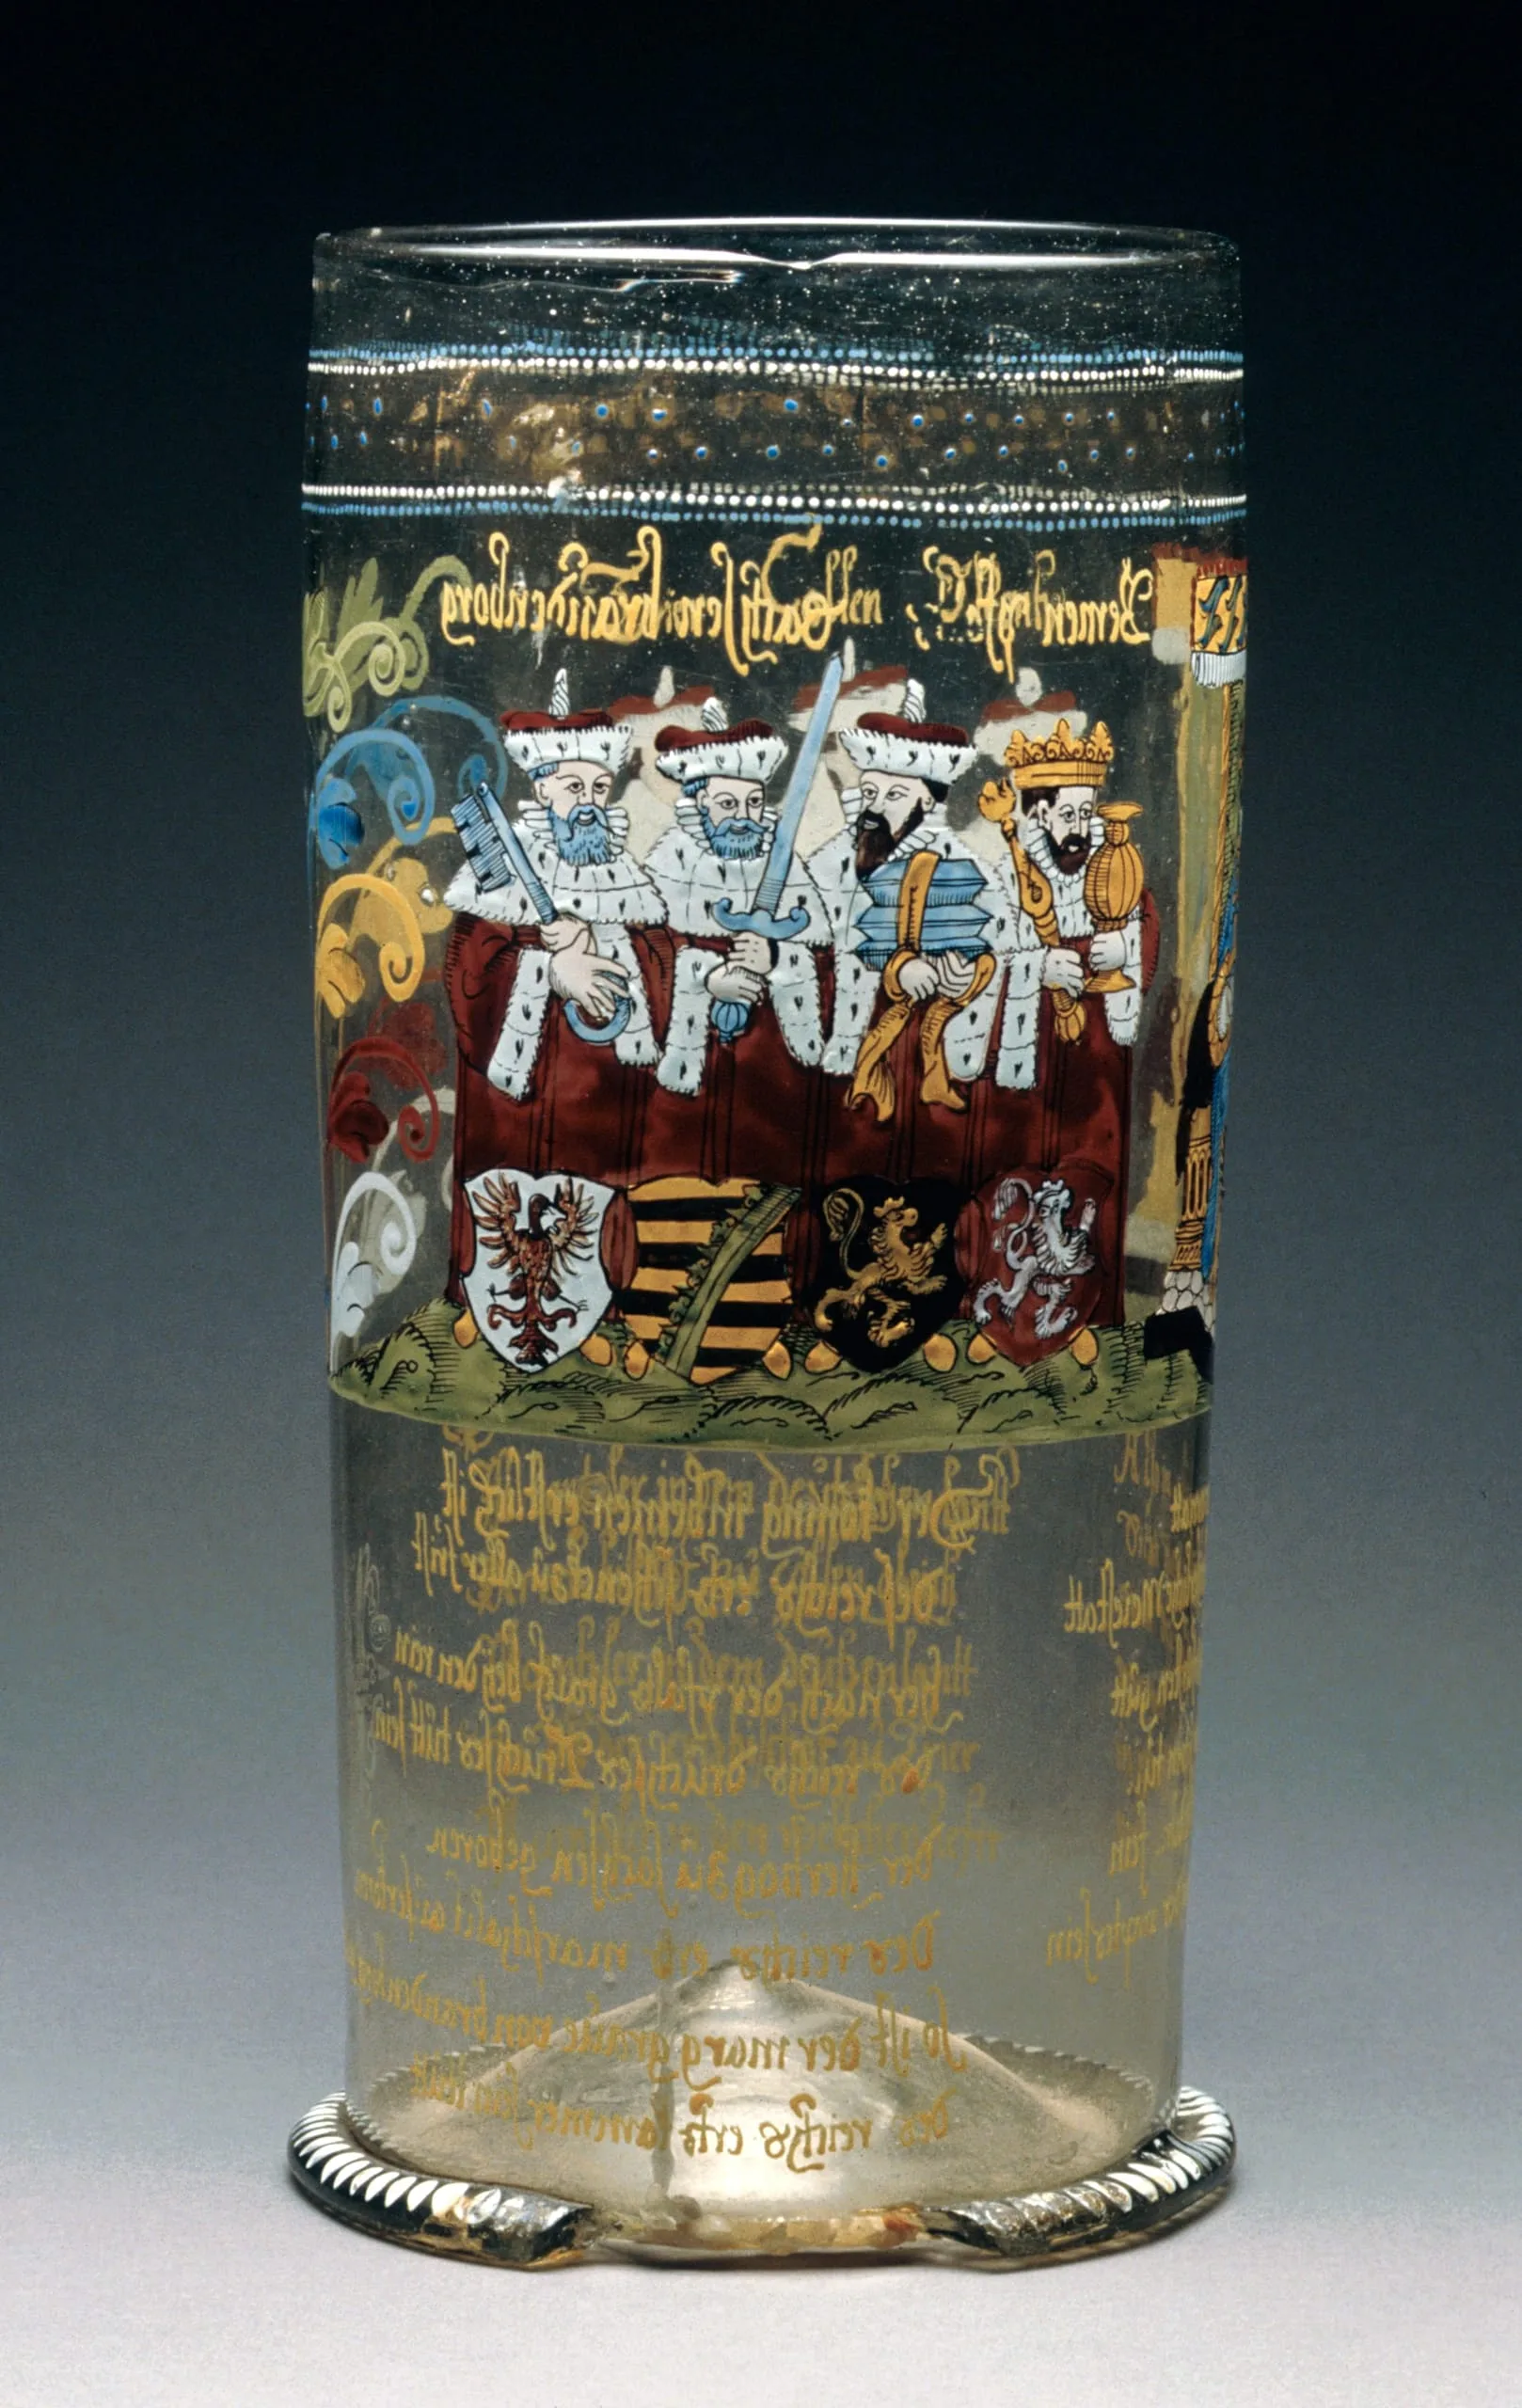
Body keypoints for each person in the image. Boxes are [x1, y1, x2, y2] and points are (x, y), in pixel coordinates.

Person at [440, 671, 673, 1357]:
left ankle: (599, 1315)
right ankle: (482, 1311)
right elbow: (469, 974)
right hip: (516, 1106)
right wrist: (546, 969)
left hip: (601, 1099)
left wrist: (604, 945)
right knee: (506, 1202)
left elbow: (658, 958)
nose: (588, 803)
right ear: (542, 790)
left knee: (598, 1197)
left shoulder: (624, 877)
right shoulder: (501, 879)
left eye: (599, 788)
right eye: (574, 787)